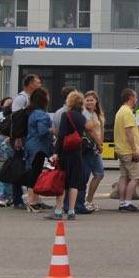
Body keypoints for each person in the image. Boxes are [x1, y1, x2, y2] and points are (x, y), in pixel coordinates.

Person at [47, 91, 98, 221]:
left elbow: (62, 136)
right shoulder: (82, 117)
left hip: (65, 153)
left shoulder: (66, 115)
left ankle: (58, 211)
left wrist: (56, 152)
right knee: (74, 183)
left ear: (69, 102)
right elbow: (90, 129)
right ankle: (71, 211)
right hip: (77, 153)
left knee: (62, 182)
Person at [9, 75, 41, 209]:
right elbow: (16, 119)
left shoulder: (31, 98)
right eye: (37, 82)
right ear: (30, 84)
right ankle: (17, 199)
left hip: (27, 138)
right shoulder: (21, 98)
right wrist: (17, 137)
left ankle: (34, 199)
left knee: (30, 169)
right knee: (19, 168)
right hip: (20, 139)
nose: (40, 84)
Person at [23, 88, 53, 212]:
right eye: (47, 95)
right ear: (43, 99)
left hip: (31, 145)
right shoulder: (41, 114)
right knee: (35, 173)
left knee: (34, 172)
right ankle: (31, 201)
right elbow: (42, 131)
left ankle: (35, 200)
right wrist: (52, 130)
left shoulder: (32, 112)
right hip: (38, 147)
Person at [113, 88, 139, 212]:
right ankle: (127, 202)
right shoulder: (128, 112)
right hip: (129, 150)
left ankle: (121, 202)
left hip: (121, 150)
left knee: (123, 176)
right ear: (130, 98)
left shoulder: (120, 111)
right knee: (135, 177)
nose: (136, 100)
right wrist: (134, 149)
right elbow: (129, 132)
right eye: (135, 97)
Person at [82, 91, 106, 211]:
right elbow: (90, 131)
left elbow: (100, 130)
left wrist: (100, 144)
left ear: (96, 101)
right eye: (87, 100)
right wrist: (99, 144)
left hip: (95, 149)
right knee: (85, 176)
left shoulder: (97, 114)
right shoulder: (84, 114)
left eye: (92, 100)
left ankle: (89, 200)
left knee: (99, 174)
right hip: (88, 148)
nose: (90, 102)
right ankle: (81, 201)